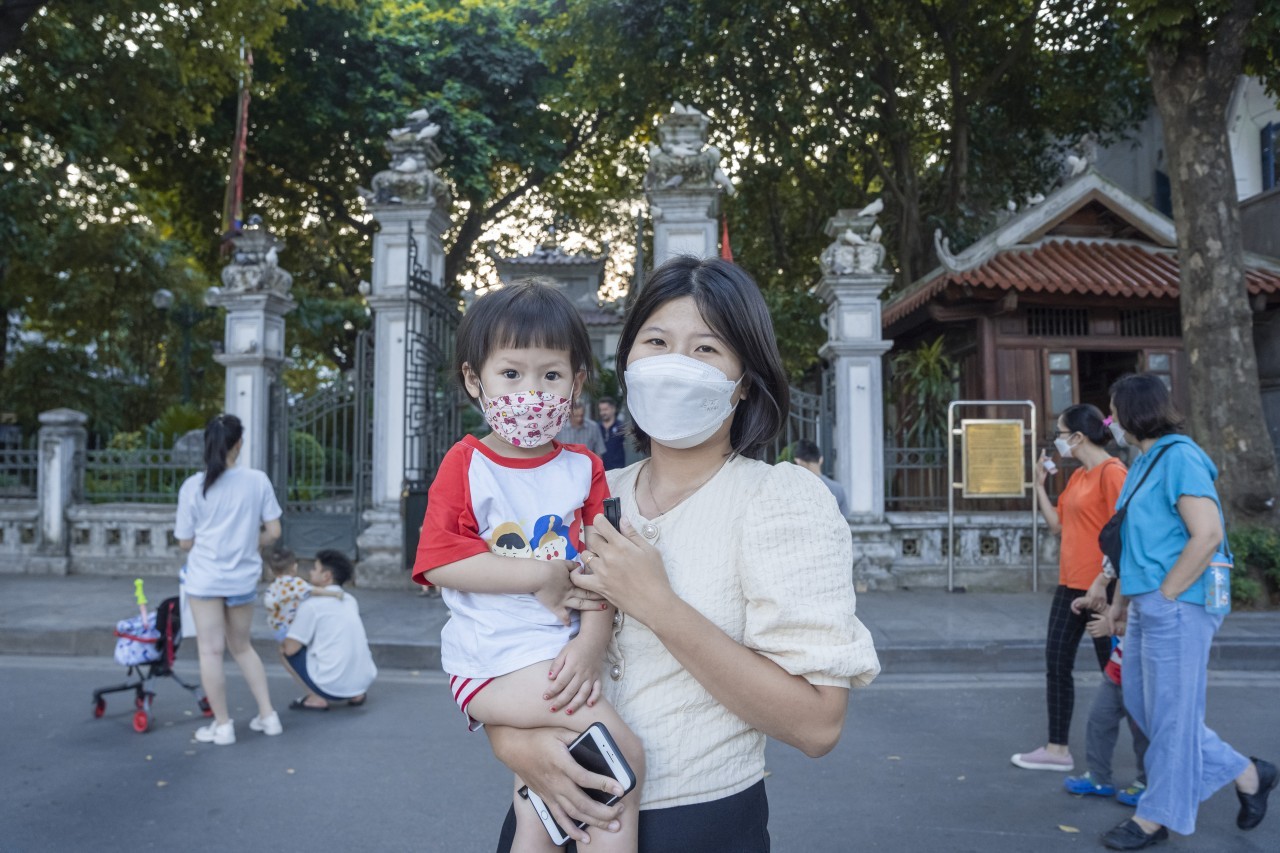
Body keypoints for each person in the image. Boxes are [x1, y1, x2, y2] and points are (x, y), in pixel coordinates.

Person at [486, 256, 880, 852]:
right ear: (627, 362)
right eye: (658, 341)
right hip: (548, 807)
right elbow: (498, 644)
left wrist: (657, 604)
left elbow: (818, 723)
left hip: (696, 825)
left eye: (706, 349)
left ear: (744, 378)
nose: (675, 365)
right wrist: (510, 742)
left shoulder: (779, 499)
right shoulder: (586, 490)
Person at [412, 278, 645, 852]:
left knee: (536, 813)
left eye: (551, 375)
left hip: (560, 655)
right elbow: (439, 561)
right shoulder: (466, 464)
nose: (531, 390)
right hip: (491, 661)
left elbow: (600, 568)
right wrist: (540, 575)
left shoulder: (584, 467)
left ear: (577, 383)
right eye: (511, 374)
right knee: (622, 760)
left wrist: (591, 642)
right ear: (475, 379)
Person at [1098, 374, 1275, 850]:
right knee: (1147, 709)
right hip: (1147, 603)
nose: (1110, 422)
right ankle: (1246, 772)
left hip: (1179, 604)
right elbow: (1133, 547)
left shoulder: (1179, 455)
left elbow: (1208, 533)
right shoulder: (1141, 462)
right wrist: (1120, 605)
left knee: (1172, 717)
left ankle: (1156, 817)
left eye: (1113, 412)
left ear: (1134, 411)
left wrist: (1169, 594)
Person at [1013, 404, 1126, 772]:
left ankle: (1149, 754)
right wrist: (1038, 487)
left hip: (1103, 589)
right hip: (1070, 586)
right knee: (1056, 664)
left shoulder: (1113, 473)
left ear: (1077, 437)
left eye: (1061, 434)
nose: (1058, 441)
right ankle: (1056, 748)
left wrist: (1109, 591)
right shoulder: (1078, 477)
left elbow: (1125, 534)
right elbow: (1058, 527)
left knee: (1116, 676)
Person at [175, 414, 283, 745]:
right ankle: (268, 716)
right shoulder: (257, 480)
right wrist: (252, 542)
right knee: (242, 647)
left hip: (204, 580)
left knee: (210, 652)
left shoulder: (193, 486)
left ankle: (223, 726)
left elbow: (184, 541)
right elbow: (274, 531)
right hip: (242, 579)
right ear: (239, 443)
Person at [1063, 598, 1149, 807]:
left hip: (1140, 677)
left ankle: (1147, 782)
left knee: (1142, 734)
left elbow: (1152, 629)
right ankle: (1098, 777)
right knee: (1098, 722)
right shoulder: (1127, 584)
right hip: (1115, 672)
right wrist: (1093, 603)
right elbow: (1116, 611)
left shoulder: (1155, 589)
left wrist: (1116, 627)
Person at [281, 549, 377, 710]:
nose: (310, 572)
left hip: (330, 684)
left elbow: (291, 649)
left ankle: (315, 697)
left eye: (315, 569)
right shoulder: (350, 599)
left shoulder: (311, 605)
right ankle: (356, 694)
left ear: (326, 576)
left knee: (283, 649)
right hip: (364, 681)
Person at [262, 546, 344, 642]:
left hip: (277, 628)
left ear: (271, 571)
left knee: (285, 649)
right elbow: (314, 591)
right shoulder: (296, 583)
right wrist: (334, 594)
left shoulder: (272, 587)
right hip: (292, 627)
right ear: (295, 567)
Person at [791, 438, 849, 517]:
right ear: (821, 459)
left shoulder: (795, 489)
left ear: (798, 461)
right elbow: (845, 521)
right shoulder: (838, 489)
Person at [597, 396, 627, 470]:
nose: (603, 413)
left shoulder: (621, 427)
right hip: (600, 470)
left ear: (613, 409)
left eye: (605, 409)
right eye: (601, 410)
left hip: (618, 469)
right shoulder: (596, 428)